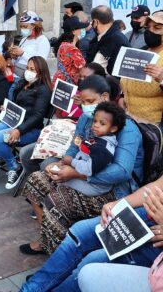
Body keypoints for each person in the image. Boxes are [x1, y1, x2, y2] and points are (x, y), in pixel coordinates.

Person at [19, 75, 144, 255]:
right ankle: (47, 238)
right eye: (83, 101)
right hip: (81, 171)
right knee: (35, 181)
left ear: (105, 97)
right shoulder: (88, 118)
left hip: (112, 190)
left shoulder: (125, 127)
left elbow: (122, 171)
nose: (85, 106)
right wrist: (62, 165)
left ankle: (58, 256)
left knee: (56, 200)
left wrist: (76, 173)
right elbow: (74, 144)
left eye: (90, 101)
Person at [19, 180, 163, 292]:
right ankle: (31, 288)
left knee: (95, 260)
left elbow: (120, 169)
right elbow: (157, 187)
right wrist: (118, 204)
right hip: (151, 213)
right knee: (80, 232)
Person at [19, 64, 108, 179]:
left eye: (86, 77)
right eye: (80, 77)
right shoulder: (73, 92)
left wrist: (82, 107)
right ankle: (37, 181)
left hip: (80, 149)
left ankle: (48, 183)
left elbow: (84, 138)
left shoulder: (101, 108)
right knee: (25, 153)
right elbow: (59, 116)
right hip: (62, 135)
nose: (82, 80)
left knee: (47, 164)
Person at [0, 56, 52, 190]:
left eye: (33, 69)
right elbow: (18, 105)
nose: (29, 71)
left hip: (30, 130)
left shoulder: (43, 89)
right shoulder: (23, 83)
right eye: (28, 68)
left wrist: (19, 130)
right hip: (14, 122)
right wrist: (7, 108)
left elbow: (37, 116)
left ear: (41, 71)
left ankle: (15, 167)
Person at [59, 101, 126, 196]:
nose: (96, 125)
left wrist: (71, 162)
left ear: (113, 129)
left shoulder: (103, 148)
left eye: (102, 123)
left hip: (95, 186)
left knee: (60, 181)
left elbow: (88, 169)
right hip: (83, 174)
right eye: (95, 121)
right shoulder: (99, 138)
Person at [120, 11, 163, 127]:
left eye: (157, 28)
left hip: (153, 124)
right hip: (130, 118)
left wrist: (162, 80)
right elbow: (126, 76)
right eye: (148, 27)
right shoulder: (142, 51)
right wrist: (122, 96)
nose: (150, 31)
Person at [87, 5, 130, 74]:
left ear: (95, 22)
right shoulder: (100, 37)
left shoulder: (118, 40)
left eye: (92, 22)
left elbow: (116, 72)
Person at [9, 11, 51, 78]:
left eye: (25, 27)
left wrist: (22, 53)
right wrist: (14, 56)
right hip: (16, 75)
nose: (22, 29)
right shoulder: (24, 39)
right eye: (21, 26)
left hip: (29, 77)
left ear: (33, 26)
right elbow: (19, 59)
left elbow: (40, 63)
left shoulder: (42, 40)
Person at [52, 16, 87, 86]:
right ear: (74, 31)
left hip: (60, 83)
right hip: (68, 86)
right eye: (81, 28)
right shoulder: (71, 49)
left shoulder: (63, 45)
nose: (83, 30)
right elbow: (83, 67)